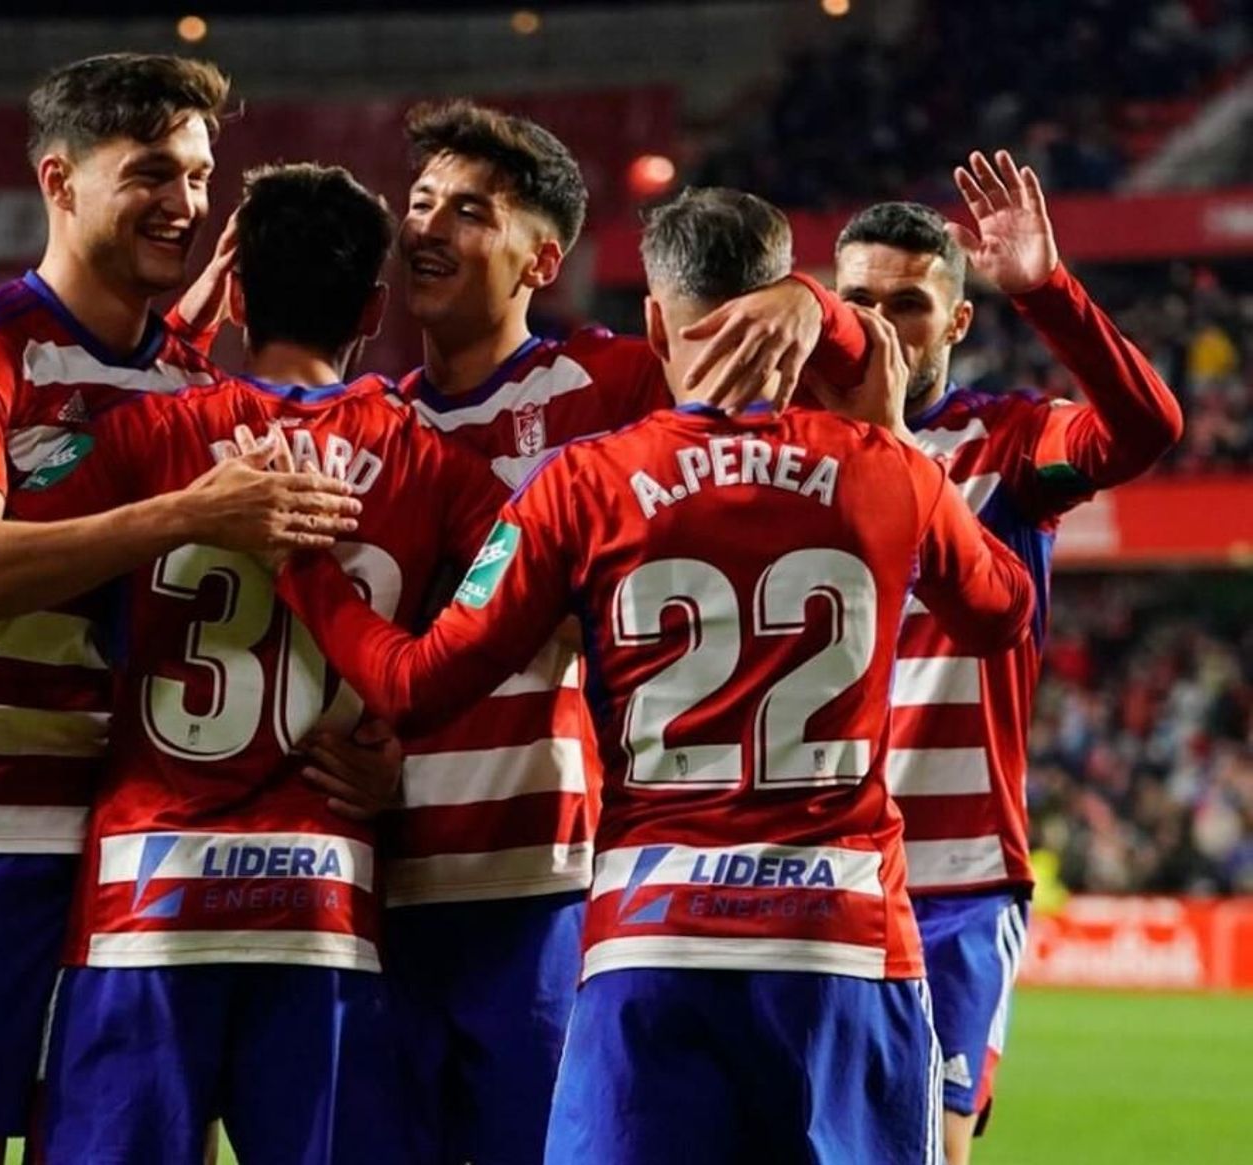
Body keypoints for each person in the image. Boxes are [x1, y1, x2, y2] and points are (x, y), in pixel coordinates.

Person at [275, 185, 1037, 1164]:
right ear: (790, 317)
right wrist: (884, 429)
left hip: (652, 942)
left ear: (651, 320)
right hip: (841, 944)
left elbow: (417, 686)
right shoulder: (886, 468)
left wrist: (308, 575)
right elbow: (1003, 613)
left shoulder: (582, 485)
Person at [343, 101, 875, 1163]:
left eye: (469, 211)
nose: (428, 229)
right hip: (370, 884)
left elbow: (837, 386)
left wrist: (809, 302)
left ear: (543, 257)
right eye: (419, 204)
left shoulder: (610, 385)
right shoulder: (365, 420)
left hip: (538, 888)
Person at [0, 55, 365, 1164]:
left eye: (196, 176)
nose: (184, 204)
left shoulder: (192, 384)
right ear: (59, 180)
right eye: (150, 174)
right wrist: (180, 515)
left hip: (135, 843)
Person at [21, 162, 511, 1164]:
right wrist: (402, 747)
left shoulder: (149, 434)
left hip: (143, 901)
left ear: (237, 293)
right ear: (374, 309)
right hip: (324, 902)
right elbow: (522, 628)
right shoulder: (432, 465)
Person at [832, 151, 1182, 1165]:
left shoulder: (1008, 445)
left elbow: (1144, 428)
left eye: (909, 303)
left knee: (926, 1150)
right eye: (858, 301)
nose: (880, 325)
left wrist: (1047, 291)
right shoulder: (781, 452)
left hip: (952, 878)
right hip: (811, 863)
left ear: (956, 322)